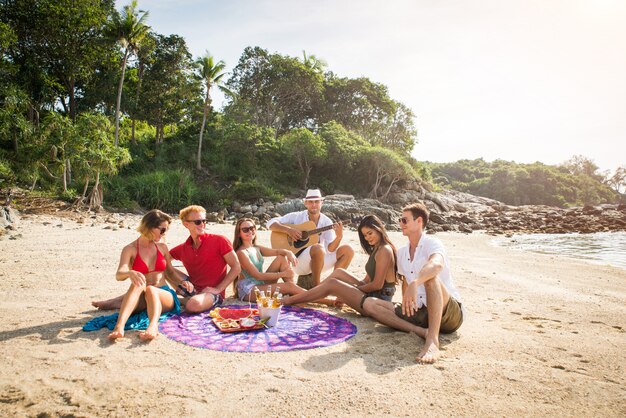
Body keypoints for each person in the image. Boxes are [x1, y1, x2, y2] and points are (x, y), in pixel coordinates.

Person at [362, 203, 464, 364]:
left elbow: (436, 264)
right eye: (400, 220)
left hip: (449, 313)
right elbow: (404, 282)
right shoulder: (402, 252)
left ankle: (432, 340)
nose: (400, 223)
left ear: (419, 221)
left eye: (404, 220)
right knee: (369, 304)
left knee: (431, 277)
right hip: (421, 312)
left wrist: (416, 282)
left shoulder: (432, 243)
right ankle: (420, 331)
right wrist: (406, 303)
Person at [92, 205, 241, 314]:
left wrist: (218, 289)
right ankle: (123, 299)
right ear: (186, 224)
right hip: (192, 288)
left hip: (211, 292)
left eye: (204, 221)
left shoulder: (219, 240)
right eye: (198, 222)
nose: (203, 224)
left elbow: (236, 267)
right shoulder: (183, 248)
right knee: (164, 266)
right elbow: (161, 261)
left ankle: (172, 299)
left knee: (193, 305)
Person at [86, 210, 182, 341]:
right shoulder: (130, 249)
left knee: (151, 289)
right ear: (149, 226)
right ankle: (119, 327)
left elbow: (171, 272)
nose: (164, 233)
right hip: (143, 295)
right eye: (162, 230)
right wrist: (129, 272)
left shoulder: (162, 247)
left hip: (163, 294)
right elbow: (119, 275)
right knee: (138, 285)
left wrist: (185, 284)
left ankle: (153, 326)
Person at [283, 214, 397, 311]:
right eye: (365, 235)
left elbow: (377, 285)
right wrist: (348, 289)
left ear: (379, 229)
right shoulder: (377, 248)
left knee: (333, 283)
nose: (367, 238)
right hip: (372, 293)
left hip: (379, 298)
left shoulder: (384, 250)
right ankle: (311, 294)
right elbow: (367, 280)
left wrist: (351, 289)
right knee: (339, 273)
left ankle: (292, 299)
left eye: (370, 233)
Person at [233, 217, 336, 305]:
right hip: (248, 290)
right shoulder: (241, 253)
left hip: (260, 284)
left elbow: (278, 251)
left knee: (281, 258)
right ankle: (326, 301)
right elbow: (258, 275)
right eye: (245, 230)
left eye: (252, 228)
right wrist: (283, 274)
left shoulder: (255, 248)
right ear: (239, 234)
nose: (250, 231)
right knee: (289, 286)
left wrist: (288, 253)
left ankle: (295, 293)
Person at [266, 189, 354, 289]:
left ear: (321, 203)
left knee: (348, 249)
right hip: (297, 262)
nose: (314, 205)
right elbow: (270, 223)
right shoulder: (296, 217)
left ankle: (334, 283)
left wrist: (339, 237)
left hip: (318, 263)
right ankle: (317, 287)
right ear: (305, 203)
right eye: (311, 202)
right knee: (318, 248)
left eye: (317, 202)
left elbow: (330, 249)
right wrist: (288, 230)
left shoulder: (327, 222)